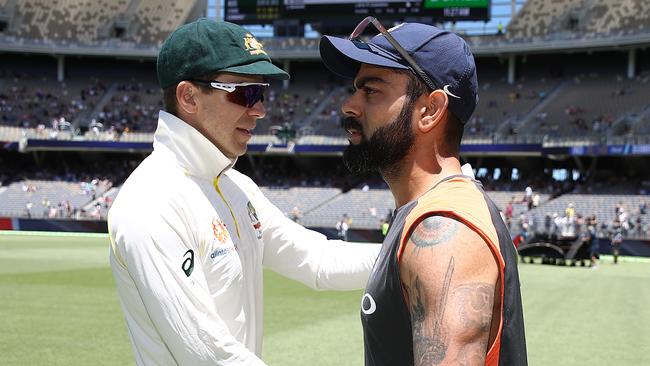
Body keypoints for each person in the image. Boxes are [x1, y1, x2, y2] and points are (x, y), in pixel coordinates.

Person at [108, 19, 380, 366]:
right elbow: (208, 354)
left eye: (261, 93)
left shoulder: (236, 186)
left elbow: (317, 260)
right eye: (245, 93)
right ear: (188, 97)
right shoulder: (151, 202)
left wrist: (408, 252)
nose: (260, 110)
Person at [320, 17, 527, 365]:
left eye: (370, 90)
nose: (349, 106)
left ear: (429, 110)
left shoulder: (446, 228)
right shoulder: (425, 212)